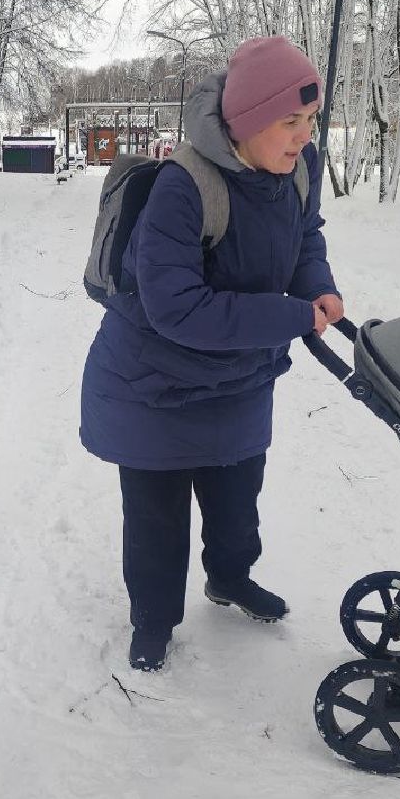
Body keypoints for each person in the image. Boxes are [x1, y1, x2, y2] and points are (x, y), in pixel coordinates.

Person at [79, 36, 344, 672]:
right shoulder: (185, 187)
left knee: (236, 507)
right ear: (247, 122)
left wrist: (317, 286)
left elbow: (305, 236)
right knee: (156, 522)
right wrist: (287, 316)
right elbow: (178, 309)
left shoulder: (296, 172)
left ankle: (229, 578)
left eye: (310, 121)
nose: (303, 137)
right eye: (290, 122)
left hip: (239, 375)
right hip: (153, 387)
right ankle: (152, 621)